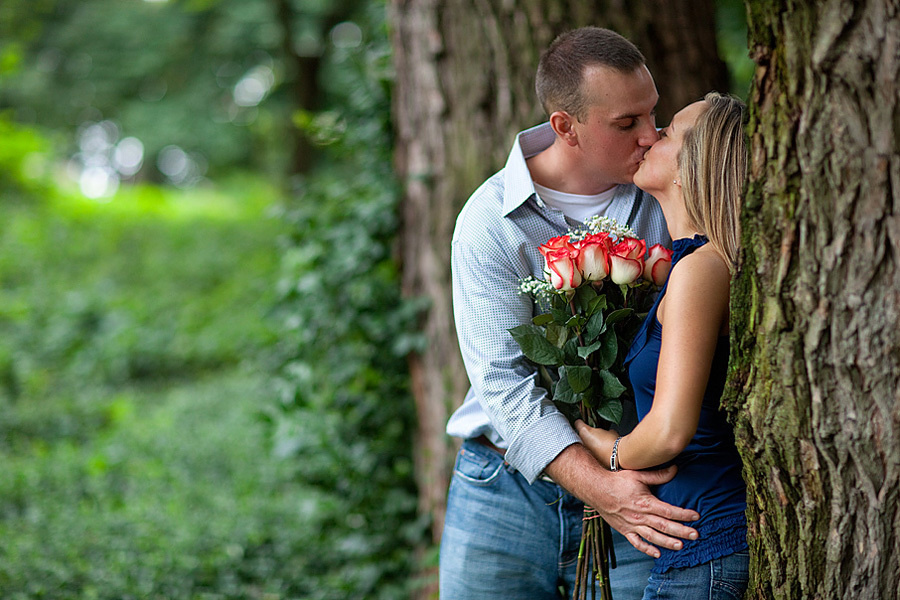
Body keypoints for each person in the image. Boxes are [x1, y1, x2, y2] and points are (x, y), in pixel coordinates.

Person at [440, 27, 701, 599]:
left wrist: (619, 485)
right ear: (565, 127)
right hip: (503, 494)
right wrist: (601, 490)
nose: (649, 136)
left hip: (640, 487)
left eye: (652, 114)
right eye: (625, 123)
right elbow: (503, 382)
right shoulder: (491, 222)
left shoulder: (670, 199)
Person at [576, 92, 750, 599]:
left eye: (669, 132)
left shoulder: (700, 269)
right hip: (695, 548)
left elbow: (671, 431)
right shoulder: (691, 265)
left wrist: (606, 451)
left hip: (706, 545)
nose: (652, 137)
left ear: (690, 169)